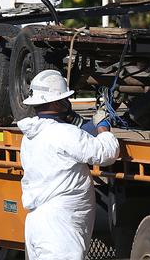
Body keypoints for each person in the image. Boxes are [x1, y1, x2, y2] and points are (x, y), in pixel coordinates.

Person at [17, 69, 120, 260]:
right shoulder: (63, 134)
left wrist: (91, 126)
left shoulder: (33, 136)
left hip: (41, 223)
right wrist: (104, 128)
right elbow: (106, 153)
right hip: (59, 227)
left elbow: (74, 140)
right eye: (65, 99)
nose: (68, 103)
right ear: (57, 102)